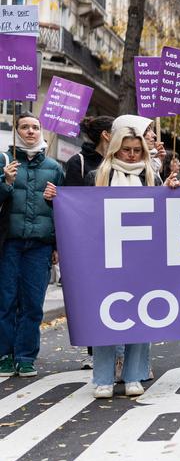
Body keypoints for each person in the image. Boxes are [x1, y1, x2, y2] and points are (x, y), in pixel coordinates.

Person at [85, 125, 180, 397]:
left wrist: (170, 191)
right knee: (106, 316)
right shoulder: (98, 176)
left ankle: (134, 376)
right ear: (115, 148)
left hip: (143, 257)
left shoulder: (150, 177)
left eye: (136, 150)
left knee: (141, 313)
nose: (130, 155)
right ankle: (103, 378)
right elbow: (78, 213)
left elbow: (163, 213)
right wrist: (53, 200)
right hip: (105, 257)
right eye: (126, 149)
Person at [0, 113, 64, 378]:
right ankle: (4, 355)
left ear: (41, 132)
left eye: (35, 127)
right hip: (9, 244)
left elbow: (64, 210)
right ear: (16, 131)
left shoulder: (54, 167)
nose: (30, 131)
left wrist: (54, 199)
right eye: (24, 127)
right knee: (6, 301)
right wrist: (5, 183)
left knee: (33, 303)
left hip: (39, 246)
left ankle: (26, 356)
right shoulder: (4, 161)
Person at [63, 115, 114, 371]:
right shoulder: (79, 163)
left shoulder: (123, 160)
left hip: (119, 240)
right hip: (92, 241)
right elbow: (70, 204)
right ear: (106, 134)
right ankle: (95, 351)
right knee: (96, 295)